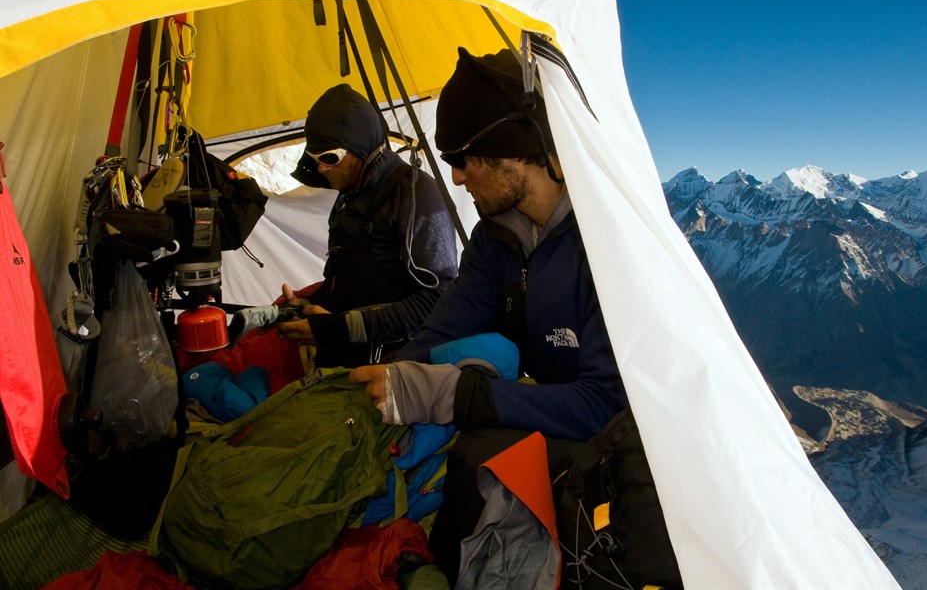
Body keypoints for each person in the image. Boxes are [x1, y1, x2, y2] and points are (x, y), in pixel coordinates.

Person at [348, 48, 628, 582]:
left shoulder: (606, 245)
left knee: (479, 453)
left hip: (613, 454)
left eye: (463, 158)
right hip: (551, 428)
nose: (455, 178)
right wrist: (385, 384)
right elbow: (442, 332)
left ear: (512, 150)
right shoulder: (496, 239)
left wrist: (460, 395)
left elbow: (606, 406)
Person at [182, 84, 458, 390]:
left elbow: (435, 301)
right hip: (340, 353)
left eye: (330, 157)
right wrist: (306, 303)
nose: (322, 168)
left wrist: (336, 329)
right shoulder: (349, 195)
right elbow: (353, 278)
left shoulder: (417, 196)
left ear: (362, 150)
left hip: (386, 365)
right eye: (315, 158)